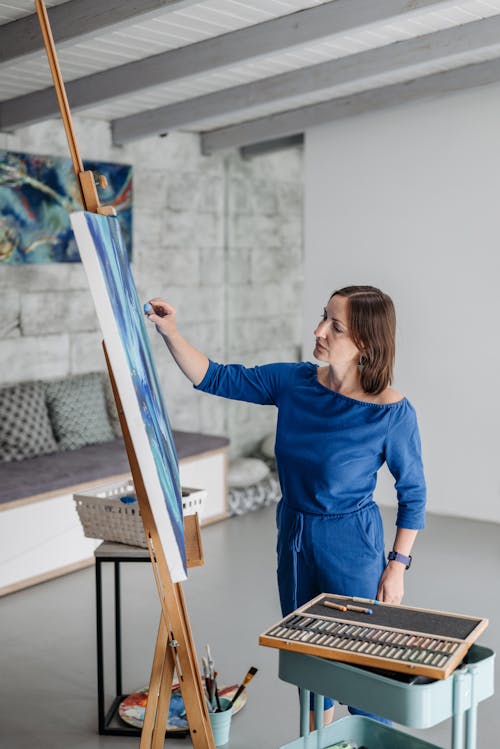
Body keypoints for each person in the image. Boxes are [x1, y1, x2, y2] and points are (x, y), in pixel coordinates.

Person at [145, 285, 426, 726]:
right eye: (322, 318)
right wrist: (170, 332)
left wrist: (397, 565)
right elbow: (214, 376)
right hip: (294, 537)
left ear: (366, 343)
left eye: (335, 326)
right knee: (310, 667)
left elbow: (414, 493)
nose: (318, 331)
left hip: (351, 543)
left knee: (360, 671)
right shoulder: (294, 382)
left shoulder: (391, 412)